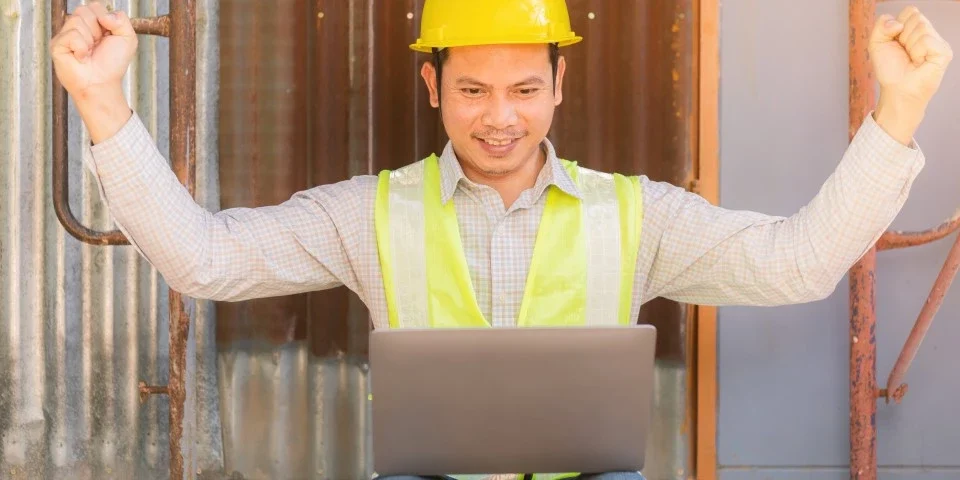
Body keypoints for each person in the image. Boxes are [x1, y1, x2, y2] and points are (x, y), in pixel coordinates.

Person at [50, 0, 951, 479]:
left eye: (525, 88)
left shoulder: (637, 215)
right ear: (433, 87)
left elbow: (798, 265)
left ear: (560, 83)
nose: (500, 118)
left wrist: (898, 112)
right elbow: (203, 260)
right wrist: (101, 102)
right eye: (474, 90)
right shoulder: (366, 212)